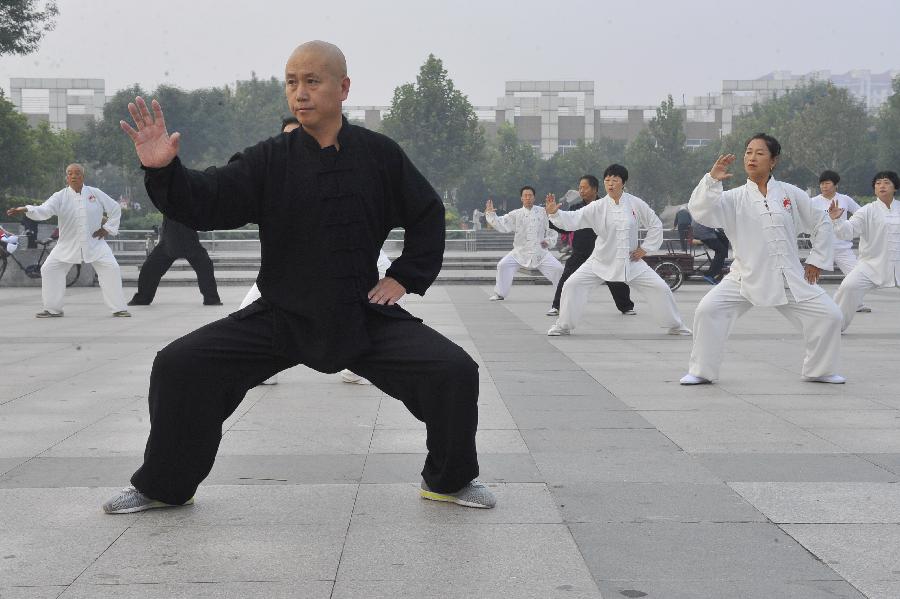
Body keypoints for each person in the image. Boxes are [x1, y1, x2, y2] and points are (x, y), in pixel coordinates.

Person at [102, 41, 493, 514]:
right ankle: (163, 486)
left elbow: (427, 213)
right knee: (179, 365)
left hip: (360, 314)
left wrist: (405, 277)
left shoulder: (380, 155)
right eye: (291, 82)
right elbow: (209, 199)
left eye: (312, 81)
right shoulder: (269, 159)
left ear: (343, 87)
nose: (300, 93)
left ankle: (449, 481)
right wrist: (162, 169)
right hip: (281, 315)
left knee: (454, 372)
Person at [680, 134, 844, 385]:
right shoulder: (733, 198)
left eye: (759, 153)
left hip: (788, 275)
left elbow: (821, 221)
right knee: (708, 310)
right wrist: (712, 180)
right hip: (744, 276)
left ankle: (819, 370)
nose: (751, 158)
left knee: (830, 316)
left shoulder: (790, 193)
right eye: (748, 152)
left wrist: (816, 259)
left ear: (773, 160)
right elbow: (702, 212)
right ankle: (701, 371)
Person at [545, 164, 691, 337]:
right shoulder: (597, 206)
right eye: (607, 180)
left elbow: (655, 224)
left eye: (615, 180)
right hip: (600, 260)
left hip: (631, 261)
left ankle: (675, 325)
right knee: (572, 285)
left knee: (660, 288)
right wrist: (555, 214)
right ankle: (563, 325)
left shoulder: (636, 203)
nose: (610, 184)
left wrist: (645, 248)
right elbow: (574, 218)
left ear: (623, 183)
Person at [6, 164, 130, 318]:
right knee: (49, 269)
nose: (73, 176)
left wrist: (108, 228)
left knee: (111, 268)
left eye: (77, 173)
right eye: (70, 173)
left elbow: (115, 208)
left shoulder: (95, 193)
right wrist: (27, 209)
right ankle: (52, 309)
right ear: (66, 177)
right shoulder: (60, 196)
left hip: (95, 244)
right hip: (66, 244)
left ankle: (119, 308)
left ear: (83, 177)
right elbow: (45, 210)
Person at [546, 175, 635, 317]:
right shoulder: (575, 208)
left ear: (594, 189)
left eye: (584, 187)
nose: (581, 190)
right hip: (581, 252)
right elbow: (566, 227)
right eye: (579, 187)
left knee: (615, 278)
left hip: (605, 251)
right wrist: (552, 216)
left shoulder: (607, 205)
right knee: (567, 278)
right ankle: (557, 306)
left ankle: (626, 306)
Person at [829, 171, 900, 332]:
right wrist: (836, 220)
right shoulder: (867, 210)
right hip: (871, 265)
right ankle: (833, 327)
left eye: (886, 182)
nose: (882, 186)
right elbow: (848, 231)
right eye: (878, 183)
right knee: (849, 286)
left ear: (895, 187)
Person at [485, 186, 563, 308]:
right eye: (525, 195)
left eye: (530, 195)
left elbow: (552, 230)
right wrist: (490, 214)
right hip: (519, 252)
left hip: (540, 252)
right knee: (503, 265)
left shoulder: (543, 212)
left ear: (534, 197)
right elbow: (502, 223)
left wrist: (548, 242)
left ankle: (563, 294)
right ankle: (500, 293)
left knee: (558, 269)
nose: (528, 198)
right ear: (521, 198)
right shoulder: (516, 214)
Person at [127, 215, 222, 306]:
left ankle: (143, 298)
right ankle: (211, 298)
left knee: (150, 268)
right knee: (204, 265)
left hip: (177, 236)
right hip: (178, 236)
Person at [810, 170, 869, 313]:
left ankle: (857, 304)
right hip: (821, 247)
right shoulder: (813, 202)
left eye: (827, 183)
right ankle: (809, 304)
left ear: (835, 185)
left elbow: (861, 213)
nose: (824, 186)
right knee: (810, 276)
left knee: (856, 275)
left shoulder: (845, 199)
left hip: (842, 246)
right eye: (822, 184)